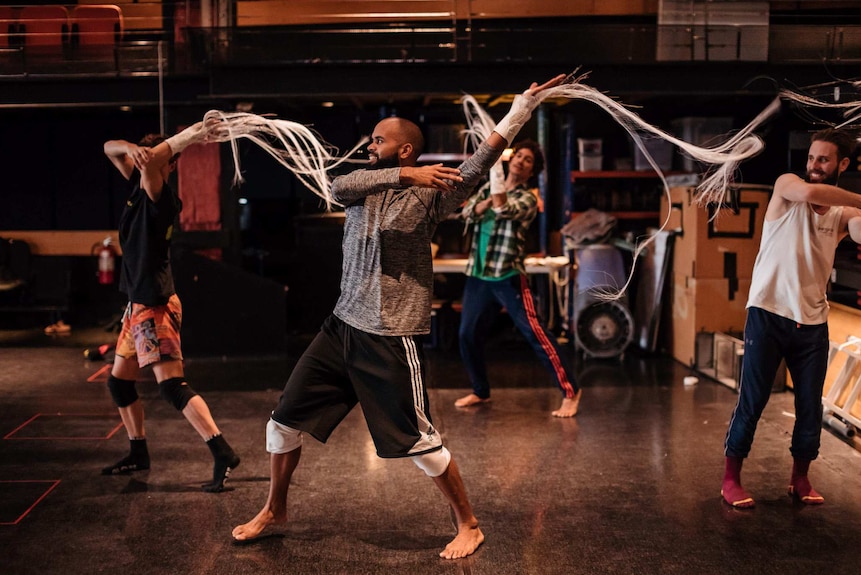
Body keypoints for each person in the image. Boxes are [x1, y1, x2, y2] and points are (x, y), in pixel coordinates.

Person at [231, 74, 566, 558]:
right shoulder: (365, 185)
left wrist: (520, 111)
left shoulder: (431, 196)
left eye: (380, 140)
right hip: (341, 325)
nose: (370, 144)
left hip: (389, 334)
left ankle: (469, 523)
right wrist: (406, 175)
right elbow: (335, 183)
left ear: (405, 149)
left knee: (420, 442)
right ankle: (275, 508)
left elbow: (477, 166)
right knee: (281, 423)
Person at [721, 127, 861, 508]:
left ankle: (800, 477)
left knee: (810, 407)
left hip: (812, 323)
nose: (814, 165)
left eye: (824, 159)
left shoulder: (843, 213)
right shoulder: (788, 186)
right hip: (767, 313)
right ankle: (730, 479)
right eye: (812, 157)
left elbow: (860, 229)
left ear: (842, 164)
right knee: (752, 401)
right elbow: (811, 192)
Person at [101, 123, 240, 493]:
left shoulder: (161, 199)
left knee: (172, 387)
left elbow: (153, 165)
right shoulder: (136, 186)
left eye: (156, 160)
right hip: (137, 306)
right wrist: (130, 145)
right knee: (119, 383)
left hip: (155, 307)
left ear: (170, 165)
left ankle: (221, 450)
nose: (145, 163)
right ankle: (138, 452)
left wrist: (189, 136)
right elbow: (109, 146)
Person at [454, 139, 581, 418]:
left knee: (535, 333)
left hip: (508, 276)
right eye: (518, 156)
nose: (520, 161)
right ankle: (481, 391)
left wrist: (494, 190)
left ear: (531, 171)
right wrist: (489, 195)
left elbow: (503, 209)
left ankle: (571, 391)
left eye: (527, 160)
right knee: (466, 334)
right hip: (479, 274)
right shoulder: (489, 189)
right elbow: (466, 213)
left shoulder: (528, 197)